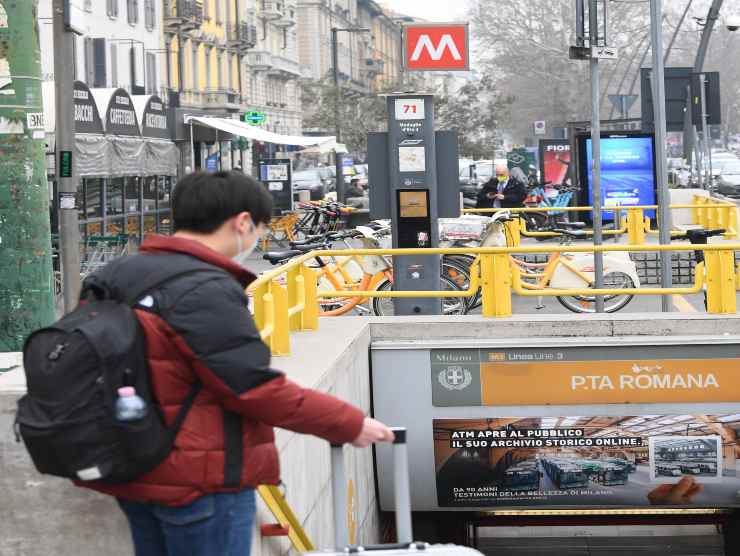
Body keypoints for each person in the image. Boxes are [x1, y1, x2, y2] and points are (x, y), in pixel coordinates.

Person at [78, 171, 395, 556]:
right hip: (203, 482)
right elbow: (253, 387)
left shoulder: (111, 275)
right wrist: (349, 423)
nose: (256, 239)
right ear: (242, 222)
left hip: (136, 467)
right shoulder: (204, 288)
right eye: (259, 228)